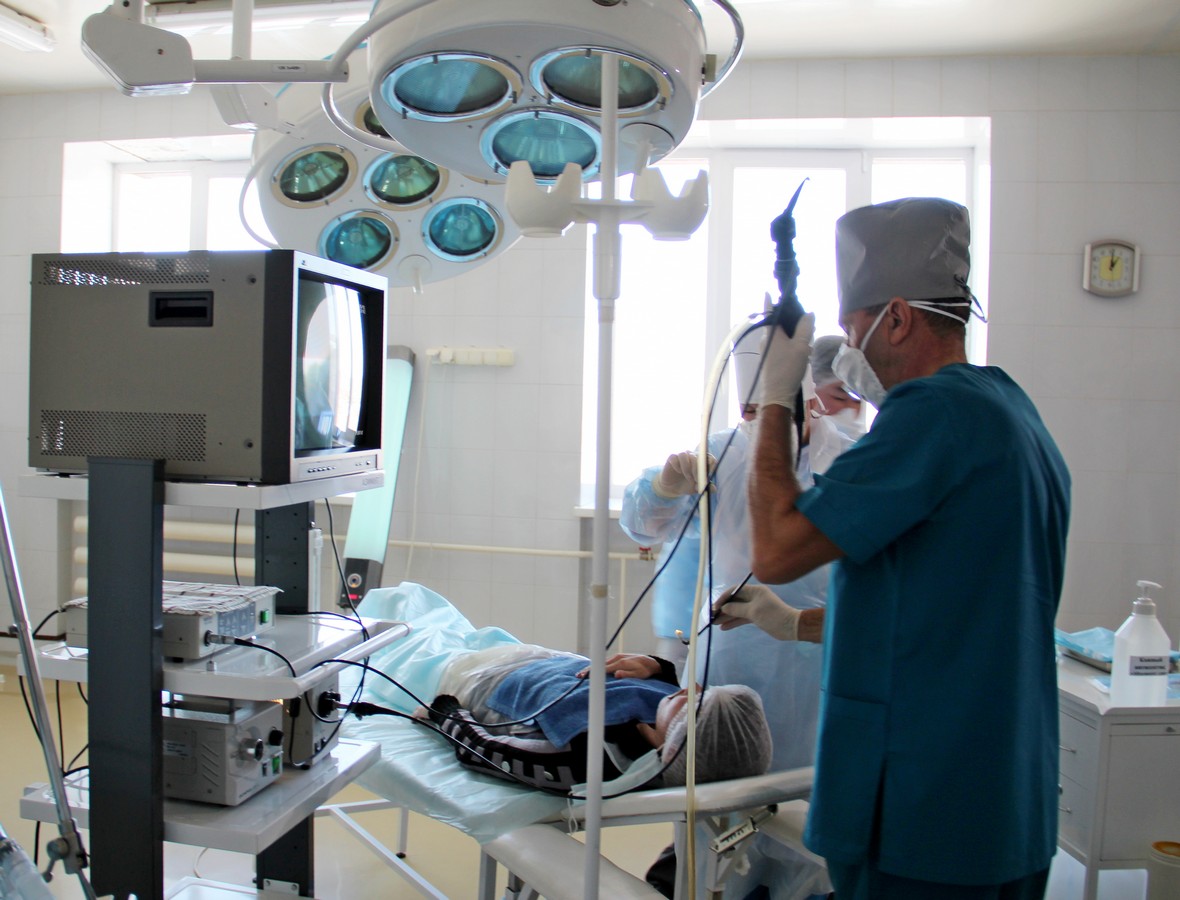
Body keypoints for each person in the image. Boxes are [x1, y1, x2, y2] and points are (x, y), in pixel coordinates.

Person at [724, 197, 1071, 899]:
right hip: (1005, 802)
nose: (847, 350)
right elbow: (940, 607)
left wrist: (776, 398)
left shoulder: (933, 416)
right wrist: (793, 624)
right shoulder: (1010, 412)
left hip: (923, 809)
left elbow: (778, 550)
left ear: (900, 317)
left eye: (854, 328)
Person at [620, 333, 862, 900]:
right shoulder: (722, 452)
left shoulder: (854, 459)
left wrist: (799, 621)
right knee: (715, 823)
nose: (755, 423)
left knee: (807, 826)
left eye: (767, 409)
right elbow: (641, 523)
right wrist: (662, 487)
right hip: (729, 660)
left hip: (821, 660)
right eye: (748, 411)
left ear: (806, 399)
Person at [416, 646, 773, 794]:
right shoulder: (669, 712)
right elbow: (669, 697)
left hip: (477, 682)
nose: (690, 688)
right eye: (703, 689)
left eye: (691, 703)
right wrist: (656, 667)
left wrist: (445, 711)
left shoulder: (591, 760)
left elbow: (486, 752)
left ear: (669, 749)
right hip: (543, 660)